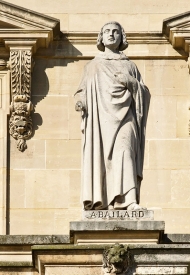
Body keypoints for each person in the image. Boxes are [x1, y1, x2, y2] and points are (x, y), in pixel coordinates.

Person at [75, 21, 150, 210]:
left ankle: (129, 200)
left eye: (115, 32)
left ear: (121, 37)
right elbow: (82, 90)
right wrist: (81, 102)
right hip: (101, 121)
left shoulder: (130, 66)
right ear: (101, 37)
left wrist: (130, 82)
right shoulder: (92, 66)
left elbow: (144, 93)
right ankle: (104, 200)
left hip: (126, 118)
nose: (111, 35)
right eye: (107, 31)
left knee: (125, 151)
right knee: (101, 158)